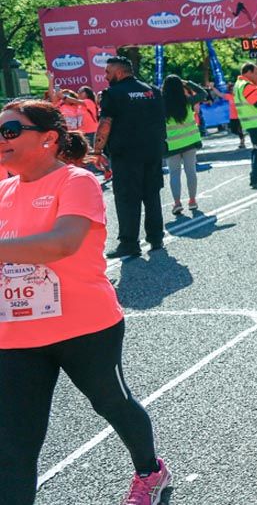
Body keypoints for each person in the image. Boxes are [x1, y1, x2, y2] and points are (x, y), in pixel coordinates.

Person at [0, 100, 171, 505]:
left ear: (48, 139)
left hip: (85, 326)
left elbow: (63, 243)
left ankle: (150, 470)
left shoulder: (76, 182)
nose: (1, 139)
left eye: (10, 130)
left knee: (112, 403)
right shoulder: (3, 190)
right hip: (15, 335)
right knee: (14, 444)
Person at [89, 56, 166, 259]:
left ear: (120, 72)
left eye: (108, 72)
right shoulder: (153, 91)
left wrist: (97, 152)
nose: (105, 77)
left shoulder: (112, 94)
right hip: (153, 151)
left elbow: (105, 123)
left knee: (126, 198)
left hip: (126, 154)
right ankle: (156, 237)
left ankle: (129, 243)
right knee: (152, 195)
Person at [162, 75, 204, 215]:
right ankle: (192, 201)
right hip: (190, 142)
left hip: (171, 145)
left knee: (174, 174)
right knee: (190, 171)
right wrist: (188, 82)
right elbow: (203, 93)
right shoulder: (187, 101)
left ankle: (177, 203)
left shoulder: (161, 105)